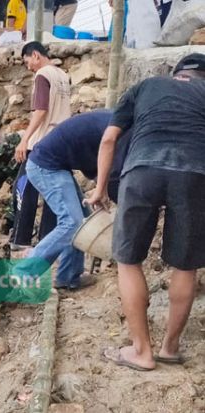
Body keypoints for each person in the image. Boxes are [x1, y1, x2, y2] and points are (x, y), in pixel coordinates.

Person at [86, 54, 205, 371]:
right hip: (195, 174)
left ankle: (141, 351)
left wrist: (99, 189)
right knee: (186, 264)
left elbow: (109, 138)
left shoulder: (146, 86)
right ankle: (170, 347)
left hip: (141, 170)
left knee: (128, 260)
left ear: (177, 72)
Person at [20, 110, 131, 290]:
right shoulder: (124, 132)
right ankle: (20, 277)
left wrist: (101, 190)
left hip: (58, 166)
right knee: (72, 223)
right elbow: (116, 172)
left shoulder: (118, 123)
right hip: (45, 166)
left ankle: (68, 277)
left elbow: (101, 166)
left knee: (82, 223)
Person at [11, 41, 71, 250]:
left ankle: (21, 239)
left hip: (42, 141)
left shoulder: (43, 74)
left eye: (28, 62)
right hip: (62, 140)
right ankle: (47, 238)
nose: (28, 67)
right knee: (53, 191)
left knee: (23, 187)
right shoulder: (63, 76)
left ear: (36, 55)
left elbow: (41, 110)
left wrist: (25, 139)